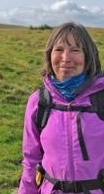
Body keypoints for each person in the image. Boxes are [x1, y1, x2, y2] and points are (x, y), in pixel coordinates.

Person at [18, 22, 104, 194]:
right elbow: (31, 160)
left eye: (75, 50)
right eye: (59, 50)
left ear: (88, 57)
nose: (66, 58)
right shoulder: (39, 102)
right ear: (50, 55)